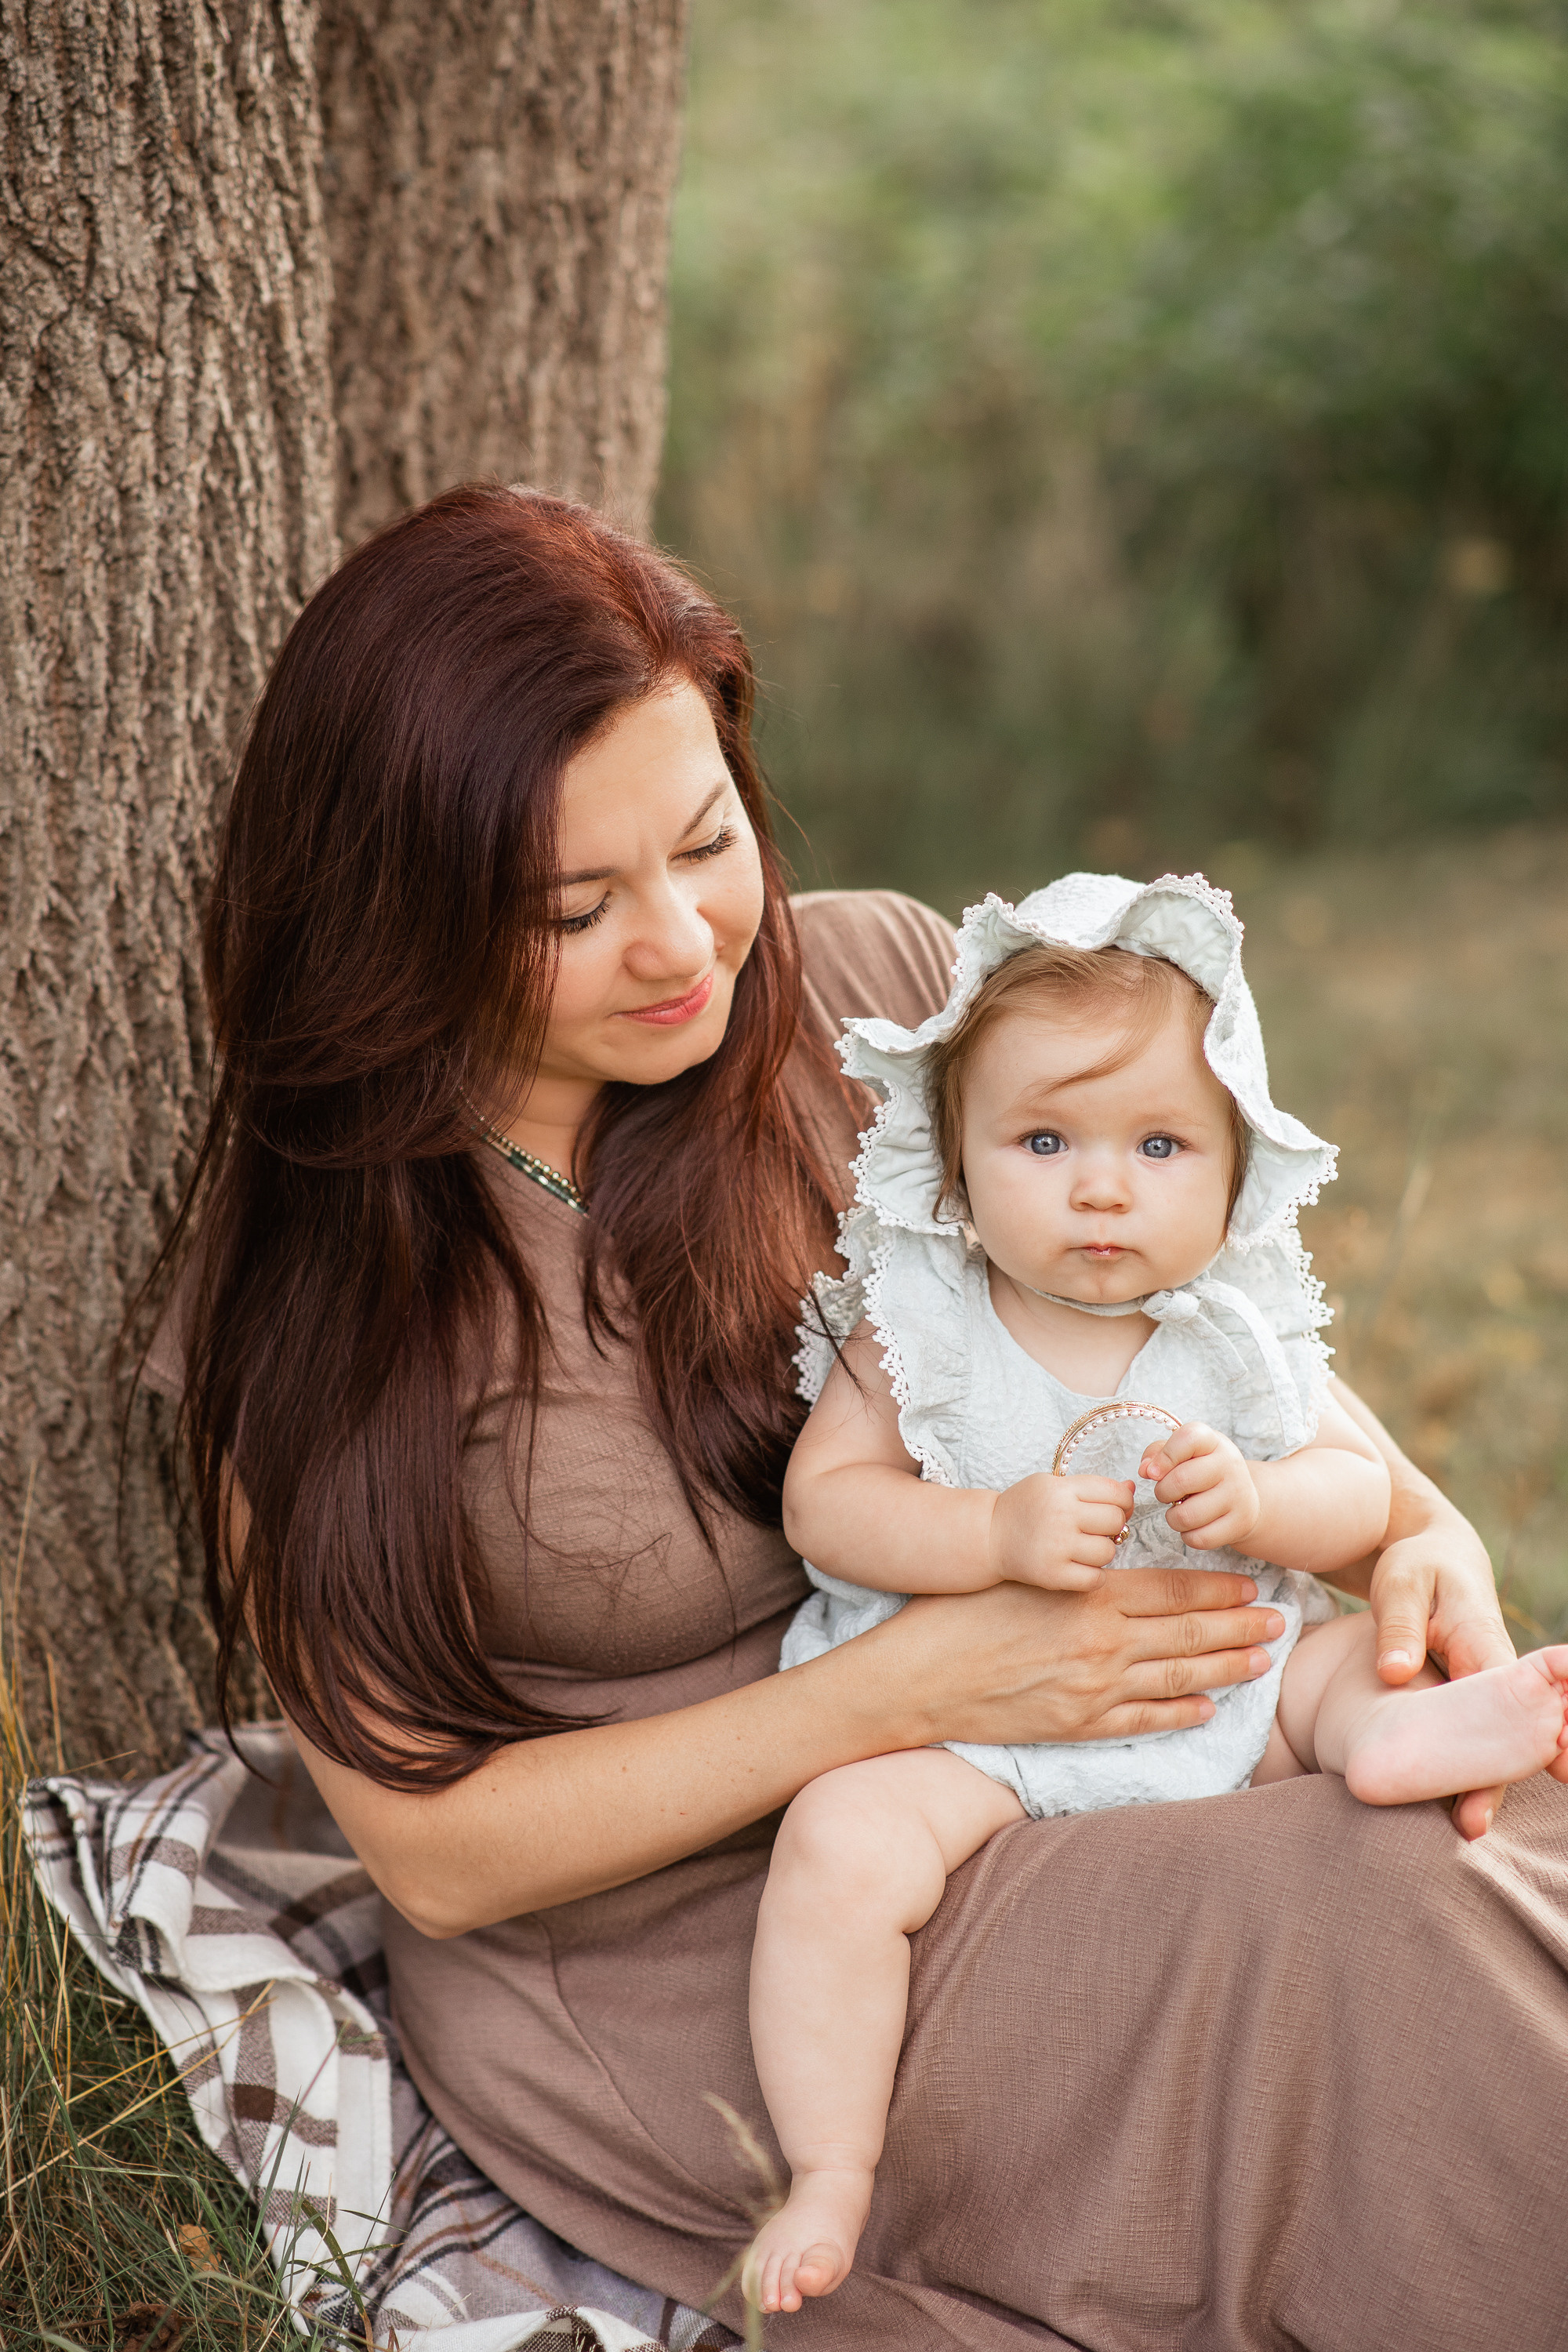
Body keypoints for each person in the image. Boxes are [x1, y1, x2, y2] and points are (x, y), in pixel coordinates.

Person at [143, 484, 1568, 2351]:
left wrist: (1419, 1519)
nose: (680, 943)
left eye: (707, 840)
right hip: (736, 1952)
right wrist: (913, 1691)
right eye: (572, 906)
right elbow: (434, 1847)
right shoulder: (315, 1286)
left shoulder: (883, 1000)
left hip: (1100, 1758)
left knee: (1482, 1835)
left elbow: (1195, 1314)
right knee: (1381, 1919)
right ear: (403, 906)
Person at [745, 875, 1568, 2315]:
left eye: (1162, 1144)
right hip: (971, 1739)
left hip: (1218, 1685)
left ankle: (1401, 1737)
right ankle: (831, 2165)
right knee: (837, 1847)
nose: (1103, 1186)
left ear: (1237, 1166)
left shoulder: (1231, 1331)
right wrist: (989, 1534)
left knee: (1320, 1669)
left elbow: (1358, 1497)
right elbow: (830, 1502)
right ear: (957, 1161)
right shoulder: (922, 1323)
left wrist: (1260, 1504)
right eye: (1046, 1139)